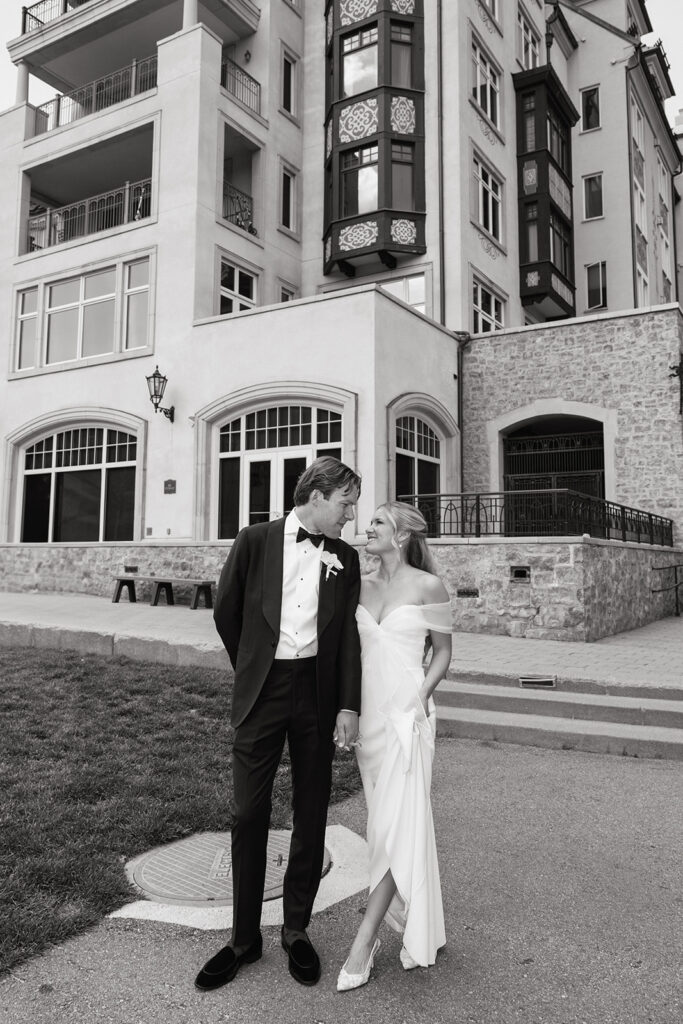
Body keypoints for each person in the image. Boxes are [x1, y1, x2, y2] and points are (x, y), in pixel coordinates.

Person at [195, 457, 362, 992]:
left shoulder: (345, 558)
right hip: (262, 692)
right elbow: (226, 612)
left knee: (311, 812)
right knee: (248, 813)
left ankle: (296, 930)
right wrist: (252, 666)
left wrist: (348, 704)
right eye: (346, 504)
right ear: (317, 495)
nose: (351, 516)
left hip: (317, 693)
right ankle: (243, 939)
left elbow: (348, 637)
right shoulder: (254, 540)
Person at [337, 501, 452, 992]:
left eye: (378, 523)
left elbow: (442, 652)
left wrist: (420, 698)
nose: (368, 529)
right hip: (369, 721)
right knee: (383, 828)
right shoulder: (359, 586)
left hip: (408, 718)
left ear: (402, 534)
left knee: (395, 828)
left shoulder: (428, 586)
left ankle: (364, 940)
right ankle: (411, 915)